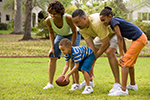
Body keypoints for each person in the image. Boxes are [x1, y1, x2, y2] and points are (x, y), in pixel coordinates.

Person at [99, 6, 148, 96]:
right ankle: (133, 85)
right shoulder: (115, 21)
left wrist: (122, 55)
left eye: (103, 20)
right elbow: (122, 38)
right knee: (130, 63)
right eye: (101, 21)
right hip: (140, 38)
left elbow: (120, 38)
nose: (103, 23)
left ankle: (123, 89)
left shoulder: (114, 21)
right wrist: (125, 52)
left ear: (110, 16)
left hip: (139, 39)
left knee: (124, 63)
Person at [72, 9, 121, 93]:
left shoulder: (96, 23)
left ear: (84, 18)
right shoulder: (81, 28)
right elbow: (90, 47)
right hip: (102, 35)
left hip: (114, 33)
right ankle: (90, 80)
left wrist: (94, 57)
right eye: (75, 23)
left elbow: (106, 43)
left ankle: (117, 83)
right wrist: (91, 58)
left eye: (78, 22)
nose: (77, 25)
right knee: (89, 55)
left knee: (109, 52)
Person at [43, 1, 81, 89]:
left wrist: (72, 46)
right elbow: (51, 33)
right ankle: (50, 83)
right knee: (52, 55)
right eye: (51, 14)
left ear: (61, 12)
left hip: (73, 35)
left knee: (72, 58)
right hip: (60, 36)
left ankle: (75, 84)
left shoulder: (68, 18)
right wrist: (52, 47)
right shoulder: (48, 20)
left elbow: (75, 31)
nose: (53, 16)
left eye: (55, 14)